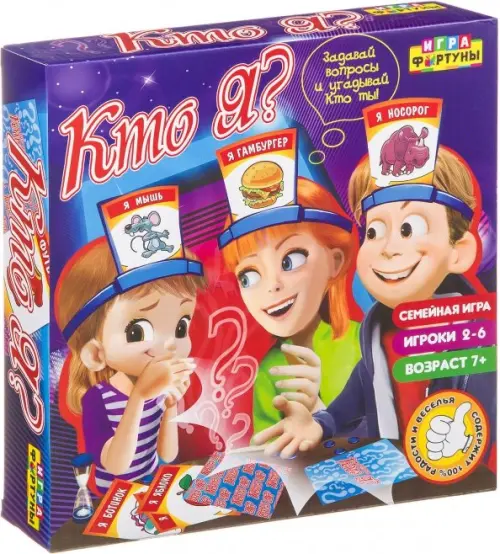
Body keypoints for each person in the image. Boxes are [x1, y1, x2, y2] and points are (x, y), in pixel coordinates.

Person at [56, 186, 206, 493]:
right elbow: (116, 465)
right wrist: (138, 397)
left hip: (150, 489)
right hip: (112, 498)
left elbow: (167, 455)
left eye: (181, 327)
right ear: (96, 354)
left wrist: (170, 407)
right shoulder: (98, 400)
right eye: (138, 331)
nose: (170, 344)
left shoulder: (157, 392)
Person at [217, 129, 362, 436]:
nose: (272, 285)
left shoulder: (363, 343)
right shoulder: (270, 371)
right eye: (249, 276)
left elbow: (386, 433)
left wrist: (319, 416)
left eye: (291, 260)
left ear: (335, 262)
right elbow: (268, 453)